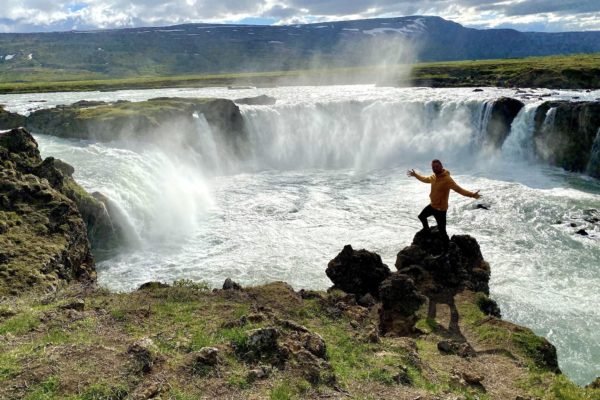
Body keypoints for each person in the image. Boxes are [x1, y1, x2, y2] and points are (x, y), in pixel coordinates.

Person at [407, 159, 480, 244]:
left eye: (437, 166)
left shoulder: (447, 179)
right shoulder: (433, 177)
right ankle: (426, 230)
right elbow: (425, 179)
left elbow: (459, 189)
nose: (435, 168)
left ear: (441, 166)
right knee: (421, 216)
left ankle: (447, 249)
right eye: (433, 167)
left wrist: (472, 195)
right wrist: (416, 175)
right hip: (432, 206)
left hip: (441, 210)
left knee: (442, 232)